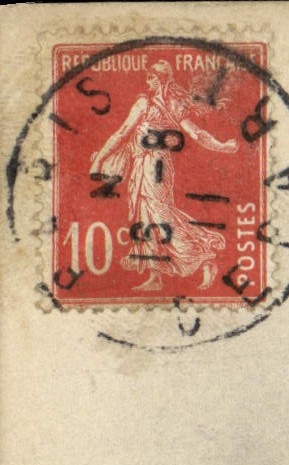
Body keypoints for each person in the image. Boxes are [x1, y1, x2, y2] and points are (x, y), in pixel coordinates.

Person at [90, 60, 238, 292]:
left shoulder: (150, 103)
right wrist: (223, 146)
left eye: (150, 77)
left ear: (158, 79)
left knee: (161, 217)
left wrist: (99, 159)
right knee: (146, 219)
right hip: (146, 167)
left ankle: (203, 257)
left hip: (154, 167)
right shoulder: (166, 104)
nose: (147, 81)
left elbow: (122, 133)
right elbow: (197, 134)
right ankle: (155, 277)